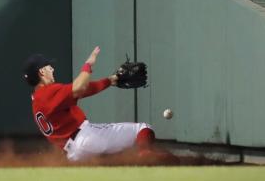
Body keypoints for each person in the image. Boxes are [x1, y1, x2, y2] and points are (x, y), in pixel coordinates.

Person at [23, 47, 166, 163]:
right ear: (42, 71)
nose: (52, 69)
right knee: (143, 129)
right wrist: (88, 65)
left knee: (111, 162)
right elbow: (79, 87)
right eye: (49, 67)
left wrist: (111, 80)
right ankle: (146, 155)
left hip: (72, 155)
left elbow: (83, 91)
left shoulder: (37, 100)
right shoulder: (48, 92)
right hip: (85, 138)